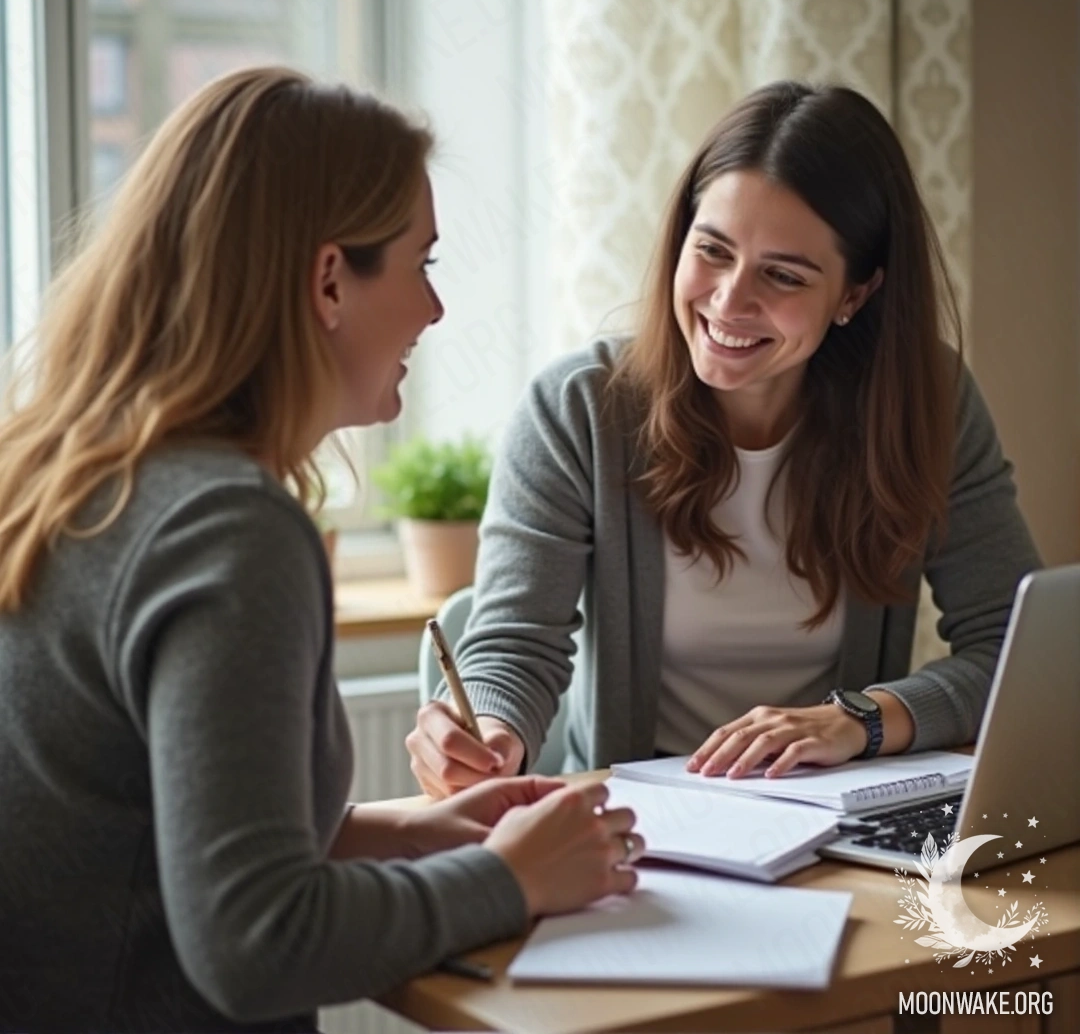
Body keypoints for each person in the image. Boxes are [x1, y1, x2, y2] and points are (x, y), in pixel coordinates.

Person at [0, 67, 643, 1033]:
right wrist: (508, 881)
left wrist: (410, 836)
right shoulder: (228, 530)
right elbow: (255, 943)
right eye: (422, 265)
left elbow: (136, 841)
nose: (434, 312)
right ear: (330, 280)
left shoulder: (77, 474)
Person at [405, 80, 1042, 799]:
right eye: (711, 250)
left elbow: (1016, 657)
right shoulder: (577, 410)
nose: (729, 301)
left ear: (855, 294)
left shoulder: (926, 401)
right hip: (641, 827)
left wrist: (859, 720)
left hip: (837, 828)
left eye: (782, 275)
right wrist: (491, 733)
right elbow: (516, 645)